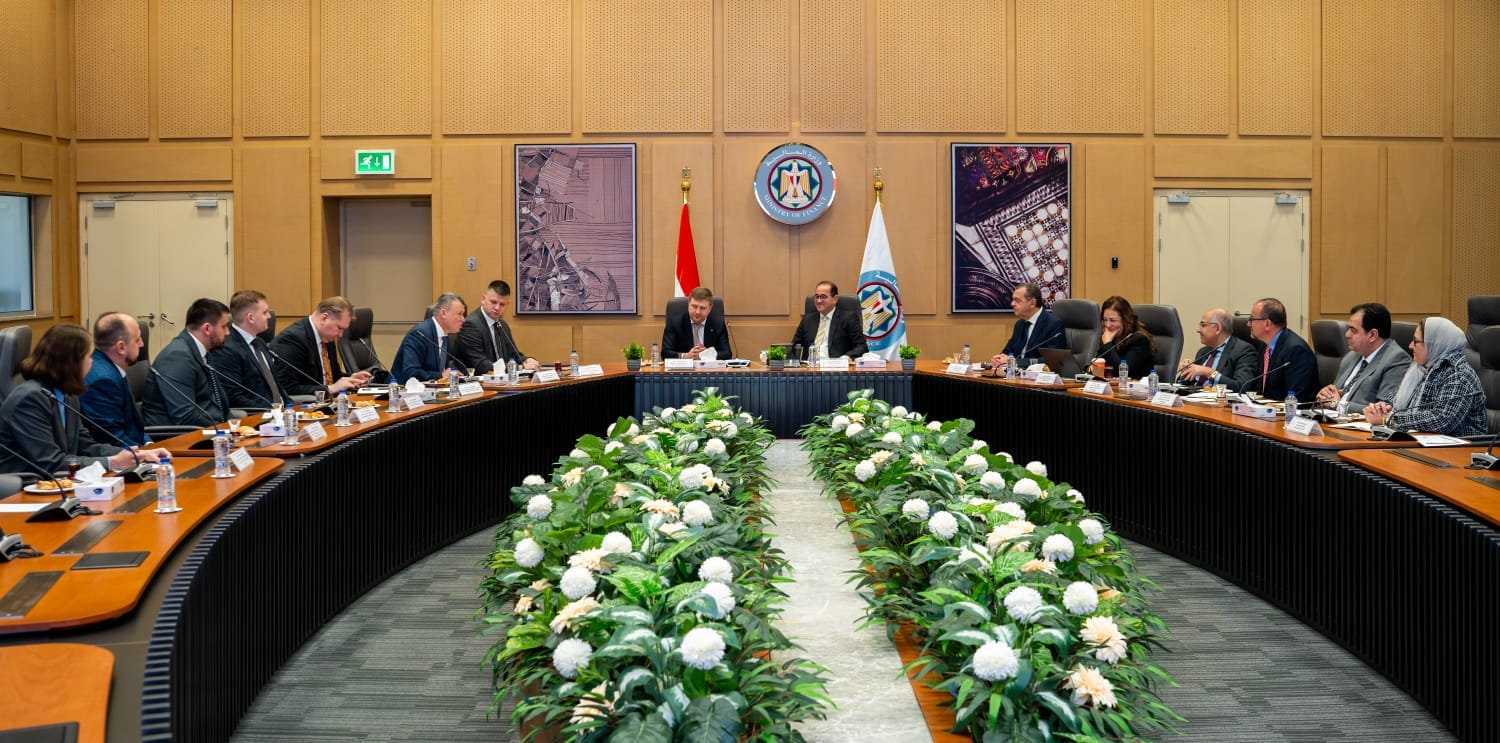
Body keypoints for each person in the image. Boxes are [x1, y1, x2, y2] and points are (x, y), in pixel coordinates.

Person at [0, 323, 169, 477]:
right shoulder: (29, 399)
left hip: (60, 481)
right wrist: (112, 462)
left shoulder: (67, 393)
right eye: (89, 356)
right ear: (71, 362)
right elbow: (51, 462)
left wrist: (135, 455)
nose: (92, 362)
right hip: (24, 487)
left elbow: (84, 444)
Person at [1363, 317, 1487, 436]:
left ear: (1434, 344)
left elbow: (1442, 420)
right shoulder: (1422, 368)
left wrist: (1389, 419)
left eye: (1416, 341)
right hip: (1421, 441)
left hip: (1461, 446)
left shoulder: (1458, 374)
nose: (1410, 346)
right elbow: (1396, 399)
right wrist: (1383, 407)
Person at [143, 298, 232, 427]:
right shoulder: (177, 357)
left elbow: (216, 402)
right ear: (207, 328)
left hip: (208, 427)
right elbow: (185, 416)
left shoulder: (202, 351)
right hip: (178, 434)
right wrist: (223, 430)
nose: (228, 332)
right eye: (224, 327)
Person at [1315, 302, 1410, 414]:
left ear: (1372, 335)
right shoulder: (1351, 356)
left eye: (1353, 330)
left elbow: (1384, 410)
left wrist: (1338, 405)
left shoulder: (1397, 360)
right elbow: (1333, 397)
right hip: (1332, 419)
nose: (1347, 334)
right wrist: (1325, 396)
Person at [268, 296, 371, 398]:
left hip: (329, 403)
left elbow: (333, 377)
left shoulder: (327, 336)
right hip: (304, 405)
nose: (340, 335)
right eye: (339, 328)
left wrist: (351, 379)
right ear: (324, 318)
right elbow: (287, 388)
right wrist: (330, 389)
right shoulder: (292, 339)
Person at [208, 290, 285, 410]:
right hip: (257, 415)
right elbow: (233, 397)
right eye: (265, 312)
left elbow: (277, 387)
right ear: (250, 318)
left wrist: (291, 408)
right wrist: (271, 411)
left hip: (281, 413)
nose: (269, 316)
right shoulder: (226, 349)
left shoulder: (260, 342)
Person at [79, 312, 148, 446]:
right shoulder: (103, 380)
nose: (142, 344)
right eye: (137, 340)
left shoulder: (111, 366)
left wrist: (149, 444)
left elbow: (134, 427)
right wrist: (145, 454)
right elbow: (112, 438)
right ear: (121, 347)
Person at [455, 280, 539, 374]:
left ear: (507, 304)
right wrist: (517, 367)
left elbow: (514, 354)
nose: (497, 308)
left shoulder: (502, 324)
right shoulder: (471, 325)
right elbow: (481, 365)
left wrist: (527, 361)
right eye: (493, 302)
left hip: (502, 379)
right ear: (483, 299)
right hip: (479, 380)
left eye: (502, 304)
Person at [1245, 297, 1317, 399]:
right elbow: (1260, 388)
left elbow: (1296, 397)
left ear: (1267, 324)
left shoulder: (1296, 350)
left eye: (1252, 319)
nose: (1248, 324)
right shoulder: (1265, 345)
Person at [391, 293, 468, 383]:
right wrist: (440, 376)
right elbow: (411, 372)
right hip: (401, 389)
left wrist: (449, 375)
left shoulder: (444, 335)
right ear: (443, 313)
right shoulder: (419, 334)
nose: (463, 319)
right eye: (459, 314)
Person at [1176, 307, 1258, 389]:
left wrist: (1209, 372)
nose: (1198, 330)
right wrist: (1185, 372)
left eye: (1203, 325)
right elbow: (1187, 385)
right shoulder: (1203, 352)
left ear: (1217, 328)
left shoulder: (1243, 351)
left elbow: (1242, 387)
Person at [989, 283, 1067, 370]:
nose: (1012, 304)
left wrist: (1015, 362)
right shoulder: (1019, 324)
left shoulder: (1054, 324)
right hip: (1017, 374)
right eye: (1013, 300)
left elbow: (1052, 359)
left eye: (1017, 300)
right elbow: (1008, 351)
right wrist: (1000, 359)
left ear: (1032, 303)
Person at [791, 281, 867, 359]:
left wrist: (845, 358)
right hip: (810, 365)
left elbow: (861, 347)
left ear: (835, 299)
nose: (819, 301)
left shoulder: (848, 318)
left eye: (823, 297)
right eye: (817, 296)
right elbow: (794, 346)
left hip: (835, 364)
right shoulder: (807, 320)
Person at [1091, 295, 1155, 378]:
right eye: (1105, 320)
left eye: (1112, 320)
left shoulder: (1139, 340)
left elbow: (1123, 373)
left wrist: (1107, 344)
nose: (1108, 325)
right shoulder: (1109, 337)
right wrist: (1092, 369)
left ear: (1125, 320)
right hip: (1111, 385)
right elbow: (1095, 365)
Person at [662, 287, 731, 360]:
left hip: (709, 367)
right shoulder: (674, 323)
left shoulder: (718, 325)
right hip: (684, 366)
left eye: (702, 308)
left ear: (710, 308)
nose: (697, 312)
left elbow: (727, 353)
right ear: (688, 304)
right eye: (694, 306)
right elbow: (665, 353)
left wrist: (708, 354)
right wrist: (685, 356)